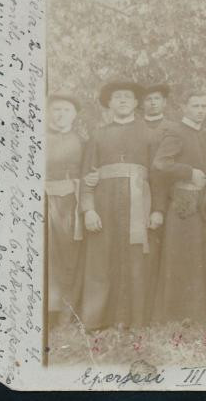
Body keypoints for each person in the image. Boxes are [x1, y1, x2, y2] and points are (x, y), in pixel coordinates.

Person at [79, 80, 163, 329]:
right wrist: (88, 209)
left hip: (139, 203)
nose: (123, 101)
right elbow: (87, 175)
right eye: (118, 97)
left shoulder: (150, 134)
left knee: (136, 259)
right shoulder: (98, 134)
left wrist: (158, 209)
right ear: (109, 103)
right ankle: (99, 319)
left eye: (128, 97)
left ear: (136, 102)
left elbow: (158, 176)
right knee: (102, 259)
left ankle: (134, 319)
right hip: (104, 204)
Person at [152, 91, 206, 323]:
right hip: (183, 203)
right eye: (195, 106)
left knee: (198, 256)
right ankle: (175, 313)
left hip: (202, 203)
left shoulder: (203, 134)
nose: (200, 110)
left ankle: (196, 312)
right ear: (184, 107)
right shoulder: (176, 131)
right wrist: (188, 172)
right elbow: (160, 163)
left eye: (203, 106)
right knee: (181, 256)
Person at [46, 91, 85, 326]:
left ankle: (67, 312)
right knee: (48, 254)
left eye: (66, 110)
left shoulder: (81, 140)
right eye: (56, 109)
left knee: (71, 255)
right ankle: (49, 310)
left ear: (74, 115)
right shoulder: (39, 138)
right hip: (45, 200)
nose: (61, 115)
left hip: (72, 201)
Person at [140, 82, 174, 320]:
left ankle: (165, 303)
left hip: (170, 192)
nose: (153, 103)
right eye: (148, 99)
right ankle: (145, 302)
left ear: (165, 102)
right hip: (141, 190)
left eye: (157, 99)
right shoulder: (136, 127)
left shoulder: (173, 128)